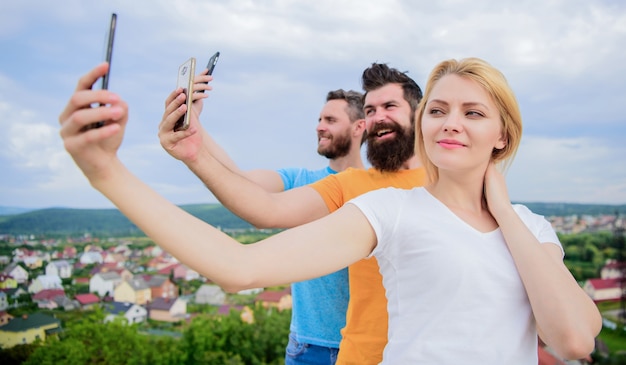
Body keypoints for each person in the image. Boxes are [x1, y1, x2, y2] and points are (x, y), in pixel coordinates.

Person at [60, 57, 601, 363]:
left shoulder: (530, 227)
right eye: (439, 109)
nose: (450, 121)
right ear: (425, 125)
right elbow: (239, 265)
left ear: (502, 134)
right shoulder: (387, 209)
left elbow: (575, 338)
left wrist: (501, 209)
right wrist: (107, 172)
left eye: (473, 111)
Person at [158, 62, 426, 364]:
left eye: (330, 119)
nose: (319, 126)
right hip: (318, 346)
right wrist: (195, 137)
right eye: (371, 109)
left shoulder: (447, 184)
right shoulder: (331, 184)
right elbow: (250, 194)